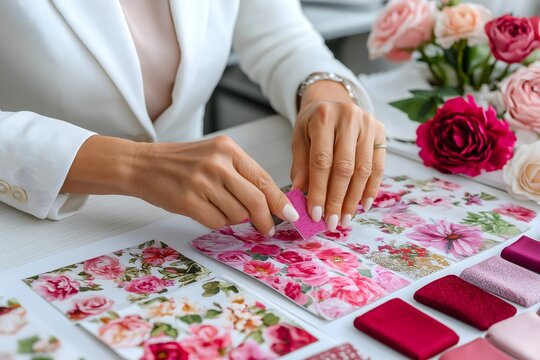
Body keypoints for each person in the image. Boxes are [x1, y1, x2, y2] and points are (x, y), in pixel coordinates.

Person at [0, 0, 386, 236]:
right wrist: (134, 166)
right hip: (30, 221)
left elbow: (283, 39)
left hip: (189, 222)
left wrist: (326, 91)